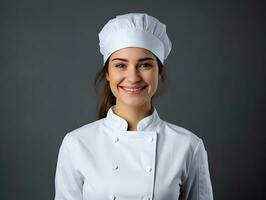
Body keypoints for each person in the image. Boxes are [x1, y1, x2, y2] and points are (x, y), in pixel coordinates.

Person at [54, 13, 213, 200]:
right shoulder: (77, 144)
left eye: (145, 65)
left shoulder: (188, 146)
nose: (133, 77)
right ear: (107, 73)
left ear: (159, 72)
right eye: (121, 65)